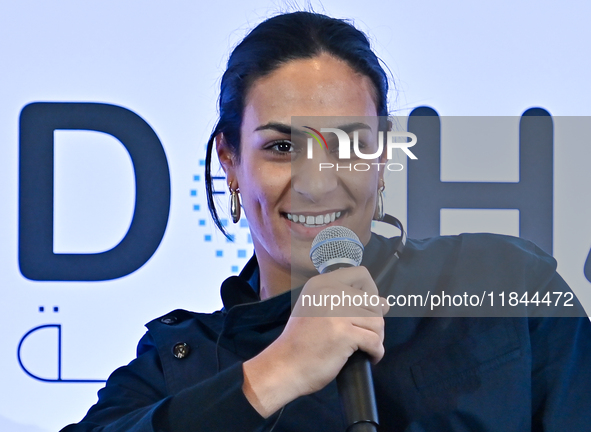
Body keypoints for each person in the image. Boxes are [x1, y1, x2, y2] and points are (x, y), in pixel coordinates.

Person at [61, 11, 591, 432]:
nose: (316, 180)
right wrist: (274, 373)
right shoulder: (179, 364)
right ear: (231, 162)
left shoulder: (502, 285)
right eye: (281, 146)